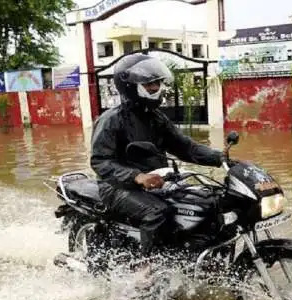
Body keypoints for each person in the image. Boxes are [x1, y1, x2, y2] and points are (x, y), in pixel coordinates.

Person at [90, 53, 223, 254]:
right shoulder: (111, 120)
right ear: (130, 86)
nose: (156, 88)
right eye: (150, 84)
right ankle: (148, 266)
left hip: (157, 181)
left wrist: (220, 158)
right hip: (115, 186)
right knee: (157, 211)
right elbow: (100, 161)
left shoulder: (156, 118)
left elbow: (185, 147)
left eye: (158, 83)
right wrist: (137, 176)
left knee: (206, 202)